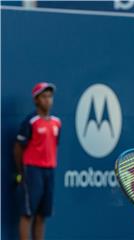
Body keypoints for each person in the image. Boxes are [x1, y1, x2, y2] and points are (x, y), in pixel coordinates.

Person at [14, 82, 61, 240]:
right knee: (28, 214)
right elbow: (18, 148)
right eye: (44, 96)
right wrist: (21, 173)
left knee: (42, 215)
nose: (48, 100)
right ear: (36, 100)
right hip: (32, 171)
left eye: (50, 96)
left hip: (50, 171)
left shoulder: (57, 122)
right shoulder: (30, 121)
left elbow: (55, 145)